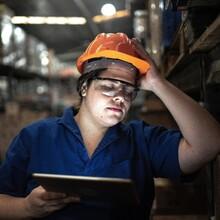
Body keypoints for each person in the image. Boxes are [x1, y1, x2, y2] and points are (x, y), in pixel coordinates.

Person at [0, 32, 220, 220]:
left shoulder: (141, 140)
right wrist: (26, 208)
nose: (120, 97)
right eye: (108, 87)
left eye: (128, 90)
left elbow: (209, 145)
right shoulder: (36, 137)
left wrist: (157, 83)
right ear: (84, 87)